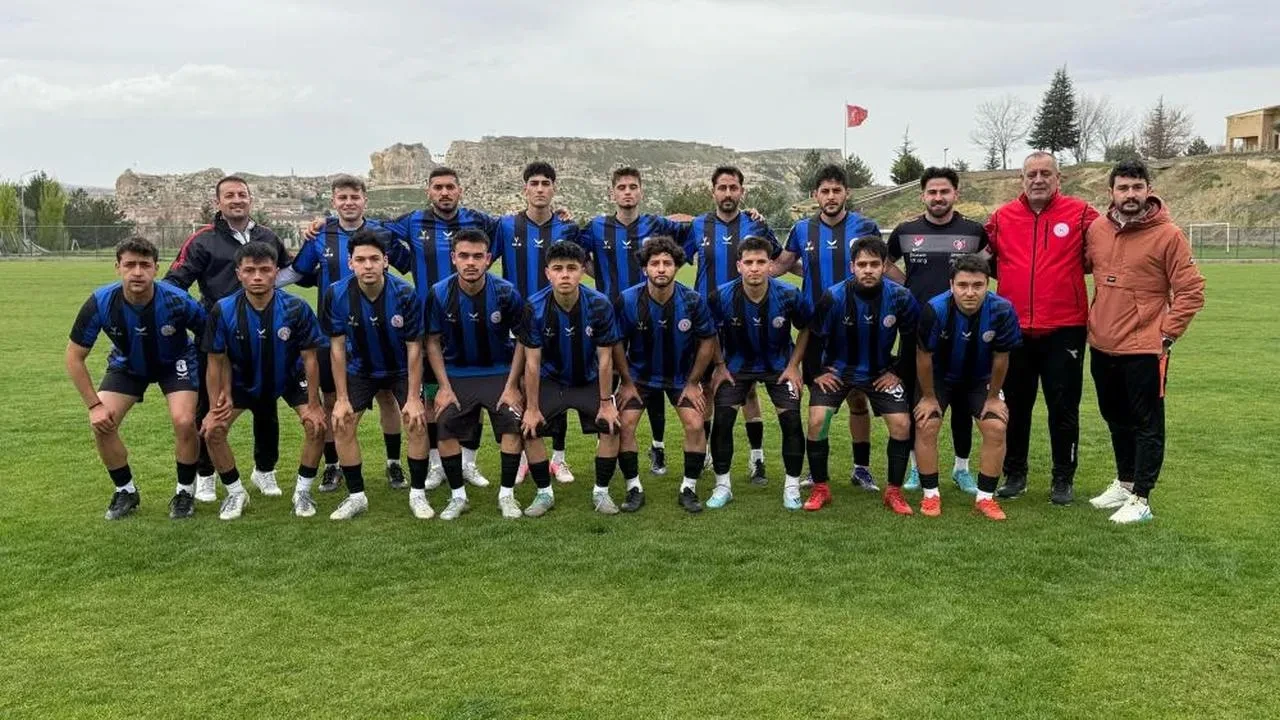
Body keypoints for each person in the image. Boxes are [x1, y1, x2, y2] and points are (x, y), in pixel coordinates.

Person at [1083, 160, 1205, 524]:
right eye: (1123, 188)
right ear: (1111, 193)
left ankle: (1142, 497)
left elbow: (1191, 291)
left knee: (1146, 423)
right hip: (1102, 343)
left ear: (1148, 190)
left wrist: (1166, 334)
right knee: (1115, 418)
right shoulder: (1098, 229)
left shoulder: (1169, 235)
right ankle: (1125, 483)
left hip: (1145, 348)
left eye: (1137, 187)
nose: (1130, 194)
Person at [164, 175, 293, 503]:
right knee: (211, 405)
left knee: (266, 405)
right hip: (217, 338)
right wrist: (202, 316)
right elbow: (173, 283)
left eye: (242, 194)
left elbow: (290, 270)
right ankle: (206, 474)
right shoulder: (203, 240)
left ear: (251, 199)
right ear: (218, 202)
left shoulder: (267, 236)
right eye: (229, 195)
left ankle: (265, 469)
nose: (237, 200)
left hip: (262, 337)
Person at [281, 175, 412, 493]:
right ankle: (333, 465)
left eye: (354, 197)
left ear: (365, 199)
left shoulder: (382, 232)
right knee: (331, 401)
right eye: (342, 197)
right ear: (333, 201)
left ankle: (393, 462)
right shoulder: (320, 234)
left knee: (387, 397)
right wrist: (253, 286)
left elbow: (411, 263)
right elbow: (299, 271)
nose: (349, 202)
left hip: (378, 331)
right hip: (333, 334)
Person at [985, 152, 1100, 504]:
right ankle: (1015, 474)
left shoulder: (1081, 214)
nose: (1038, 179)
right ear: (1021, 179)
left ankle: (1063, 478)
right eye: (1031, 174)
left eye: (1045, 173)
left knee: (1063, 407)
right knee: (1016, 407)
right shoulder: (1002, 217)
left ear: (1058, 179)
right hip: (1014, 328)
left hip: (1064, 328)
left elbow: (1108, 245)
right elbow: (980, 260)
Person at [66, 237, 207, 520]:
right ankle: (125, 490)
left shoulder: (177, 300)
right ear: (118, 267)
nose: (137, 272)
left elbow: (210, 339)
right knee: (102, 423)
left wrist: (213, 387)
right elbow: (73, 357)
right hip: (128, 364)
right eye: (130, 265)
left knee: (184, 421)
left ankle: (184, 492)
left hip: (176, 362)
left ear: (156, 268)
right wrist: (94, 406)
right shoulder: (101, 302)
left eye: (145, 265)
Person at [200, 242, 328, 520]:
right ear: (239, 273)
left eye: (264, 270)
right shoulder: (223, 309)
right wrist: (214, 405)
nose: (257, 276)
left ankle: (302, 492)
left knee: (317, 425)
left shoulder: (296, 307)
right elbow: (215, 361)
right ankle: (236, 493)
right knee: (213, 431)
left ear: (276, 272)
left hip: (289, 377)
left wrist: (314, 404)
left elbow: (310, 359)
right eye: (250, 270)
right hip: (242, 379)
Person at [577, 167, 689, 476]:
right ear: (612, 193)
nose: (627, 192)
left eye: (632, 186)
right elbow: (577, 255)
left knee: (651, 379)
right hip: (610, 317)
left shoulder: (657, 224)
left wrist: (751, 216)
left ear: (641, 191)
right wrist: (600, 274)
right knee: (610, 381)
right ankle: (608, 444)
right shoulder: (597, 226)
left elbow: (694, 230)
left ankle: (658, 447)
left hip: (650, 316)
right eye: (622, 187)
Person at [775, 164, 880, 492]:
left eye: (837, 190)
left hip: (858, 328)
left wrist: (913, 290)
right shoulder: (802, 229)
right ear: (815, 195)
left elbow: (882, 267)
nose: (831, 196)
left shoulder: (865, 226)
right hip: (816, 330)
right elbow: (782, 263)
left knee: (858, 398)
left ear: (847, 193)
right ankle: (815, 469)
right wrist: (750, 276)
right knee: (818, 400)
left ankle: (861, 468)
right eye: (825, 191)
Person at [886, 166, 990, 494]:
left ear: (955, 194)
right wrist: (908, 284)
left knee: (961, 402)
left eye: (944, 191)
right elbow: (885, 262)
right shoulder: (905, 231)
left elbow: (985, 269)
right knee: (918, 400)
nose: (938, 197)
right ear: (923, 196)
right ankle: (917, 469)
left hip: (964, 331)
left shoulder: (974, 231)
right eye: (932, 192)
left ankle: (962, 469)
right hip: (917, 329)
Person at [802, 236, 919, 514]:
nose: (868, 270)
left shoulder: (901, 297)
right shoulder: (834, 296)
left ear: (885, 266)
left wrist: (897, 372)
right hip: (838, 371)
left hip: (879, 371)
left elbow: (912, 339)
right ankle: (821, 488)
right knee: (817, 420)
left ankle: (894, 492)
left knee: (902, 424)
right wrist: (816, 374)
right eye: (862, 264)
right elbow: (814, 338)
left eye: (874, 264)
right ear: (852, 266)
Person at [516, 241, 627, 515]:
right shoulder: (534, 306)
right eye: (558, 269)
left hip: (588, 379)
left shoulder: (599, 304)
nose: (565, 275)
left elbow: (605, 359)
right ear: (547, 273)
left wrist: (606, 402)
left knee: (611, 426)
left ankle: (601, 492)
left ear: (582, 271)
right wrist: (532, 407)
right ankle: (544, 493)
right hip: (552, 380)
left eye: (571, 268)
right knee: (529, 428)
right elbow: (532, 363)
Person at [684, 166, 779, 485]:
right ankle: (706, 453)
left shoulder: (755, 224)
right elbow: (679, 255)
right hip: (707, 319)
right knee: (707, 387)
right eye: (722, 187)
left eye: (733, 187)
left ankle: (757, 458)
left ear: (742, 191)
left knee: (748, 388)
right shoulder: (698, 225)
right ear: (713, 191)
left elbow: (778, 259)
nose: (728, 193)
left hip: (747, 318)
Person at [424, 229, 527, 520]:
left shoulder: (506, 292)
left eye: (477, 256)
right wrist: (443, 387)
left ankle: (507, 495)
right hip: (457, 374)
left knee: (512, 425)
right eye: (464, 256)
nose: (471, 262)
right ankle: (458, 496)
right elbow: (431, 342)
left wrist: (513, 385)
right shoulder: (439, 293)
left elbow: (523, 340)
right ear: (453, 258)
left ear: (488, 259)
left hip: (499, 373)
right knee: (444, 425)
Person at [325, 230, 429, 520]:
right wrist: (341, 398)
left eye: (374, 259)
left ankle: (418, 493)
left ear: (386, 261)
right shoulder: (336, 294)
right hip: (361, 369)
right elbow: (337, 349)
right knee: (342, 423)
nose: (368, 265)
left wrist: (413, 397)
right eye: (361, 260)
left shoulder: (404, 293)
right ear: (350, 263)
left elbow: (415, 348)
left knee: (417, 421)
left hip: (400, 368)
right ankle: (356, 496)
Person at [490, 162, 581, 485]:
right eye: (534, 183)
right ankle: (524, 459)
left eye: (545, 183)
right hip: (518, 321)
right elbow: (485, 259)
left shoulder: (566, 227)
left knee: (558, 385)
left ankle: (559, 458)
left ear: (554, 188)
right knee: (521, 389)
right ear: (525, 189)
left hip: (559, 318)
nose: (540, 188)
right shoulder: (506, 226)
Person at [614, 237, 718, 513]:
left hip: (680, 378)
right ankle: (633, 487)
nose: (661, 269)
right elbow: (616, 344)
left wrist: (694, 382)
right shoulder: (628, 300)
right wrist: (625, 382)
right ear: (645, 268)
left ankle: (689, 488)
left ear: (677, 267)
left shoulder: (692, 300)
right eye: (654, 263)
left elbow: (708, 340)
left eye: (667, 263)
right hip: (639, 377)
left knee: (695, 424)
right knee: (625, 425)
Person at [913, 254, 1021, 520]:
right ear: (951, 285)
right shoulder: (935, 309)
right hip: (939, 379)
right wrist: (928, 397)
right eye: (962, 285)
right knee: (927, 423)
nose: (970, 292)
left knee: (996, 427)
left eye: (977, 285)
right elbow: (923, 356)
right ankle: (930, 494)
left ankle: (985, 498)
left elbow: (1002, 357)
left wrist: (993, 397)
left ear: (987, 284)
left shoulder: (1002, 310)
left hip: (978, 380)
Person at [707, 237, 809, 510]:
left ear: (771, 265)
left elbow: (806, 328)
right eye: (749, 262)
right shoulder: (721, 296)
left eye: (761, 262)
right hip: (736, 368)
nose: (754, 268)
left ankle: (791, 487)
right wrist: (719, 366)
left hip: (779, 367)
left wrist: (793, 366)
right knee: (723, 419)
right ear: (739, 266)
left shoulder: (789, 294)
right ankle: (722, 486)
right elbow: (709, 332)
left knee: (791, 421)